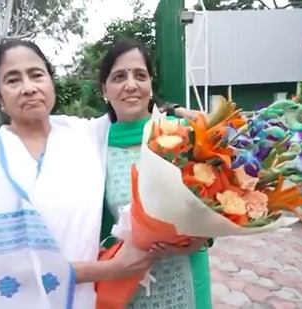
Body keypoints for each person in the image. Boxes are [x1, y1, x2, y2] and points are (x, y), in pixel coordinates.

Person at [0, 39, 160, 309]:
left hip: (89, 300)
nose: (29, 88)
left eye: (36, 75)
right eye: (13, 80)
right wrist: (111, 269)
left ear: (51, 81)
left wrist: (179, 118)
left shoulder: (82, 134)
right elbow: (2, 267)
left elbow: (130, 111)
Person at [98, 39, 214, 308]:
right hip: (127, 283)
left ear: (150, 84)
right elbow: (93, 226)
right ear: (105, 88)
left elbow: (215, 200)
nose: (131, 85)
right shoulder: (95, 148)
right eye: (119, 77)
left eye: (140, 75)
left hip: (184, 273)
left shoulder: (180, 133)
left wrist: (197, 239)